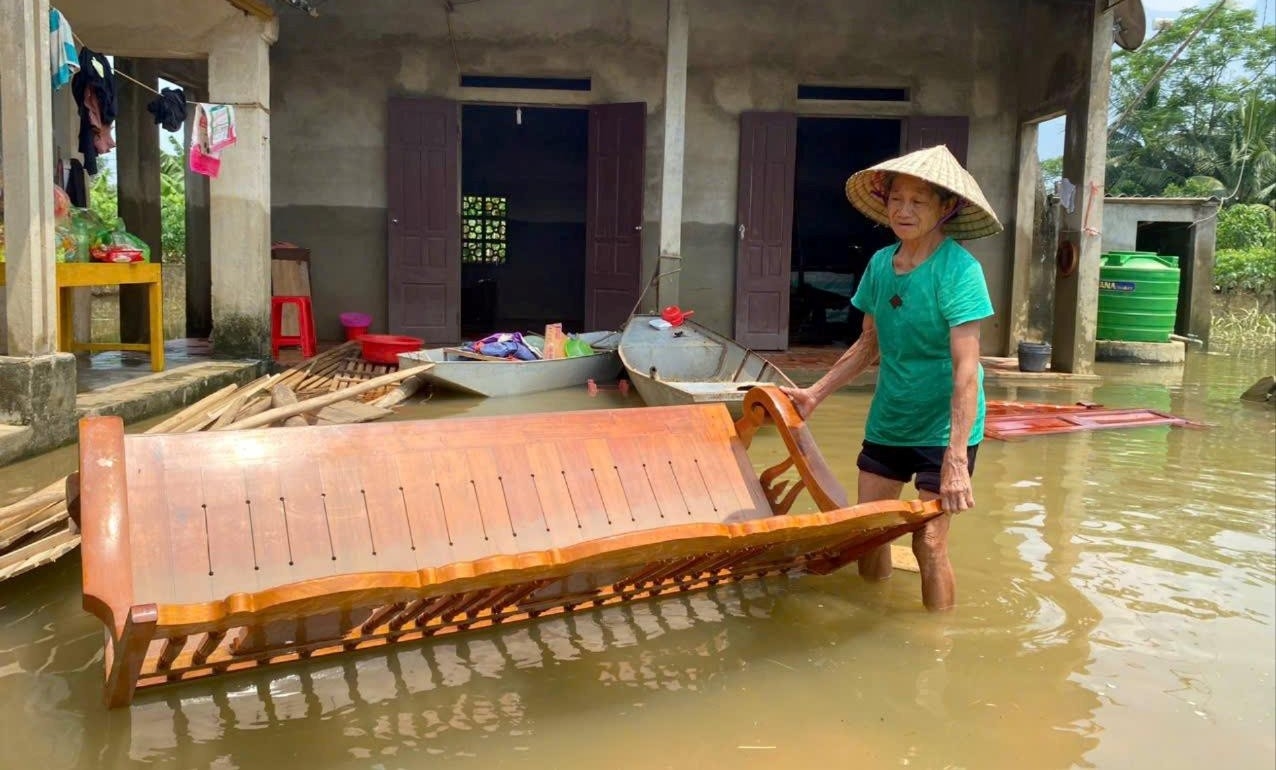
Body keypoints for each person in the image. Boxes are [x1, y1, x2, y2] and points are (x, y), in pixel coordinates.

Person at [782, 145, 1003, 612]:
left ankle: (934, 648)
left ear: (947, 209)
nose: (904, 210)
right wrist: (813, 394)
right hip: (891, 417)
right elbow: (868, 345)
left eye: (919, 202)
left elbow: (968, 370)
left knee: (929, 543)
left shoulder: (960, 271)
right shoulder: (882, 264)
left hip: (945, 428)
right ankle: (871, 622)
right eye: (896, 199)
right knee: (870, 533)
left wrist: (956, 459)